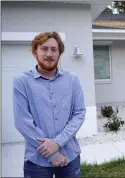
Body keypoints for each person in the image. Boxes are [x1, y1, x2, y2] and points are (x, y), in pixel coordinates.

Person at [13, 31, 86, 178]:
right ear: (35, 52)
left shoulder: (72, 80)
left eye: (54, 49)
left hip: (69, 156)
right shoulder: (22, 81)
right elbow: (23, 122)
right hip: (36, 161)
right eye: (44, 48)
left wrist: (57, 143)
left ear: (59, 54)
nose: (49, 54)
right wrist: (52, 154)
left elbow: (79, 113)